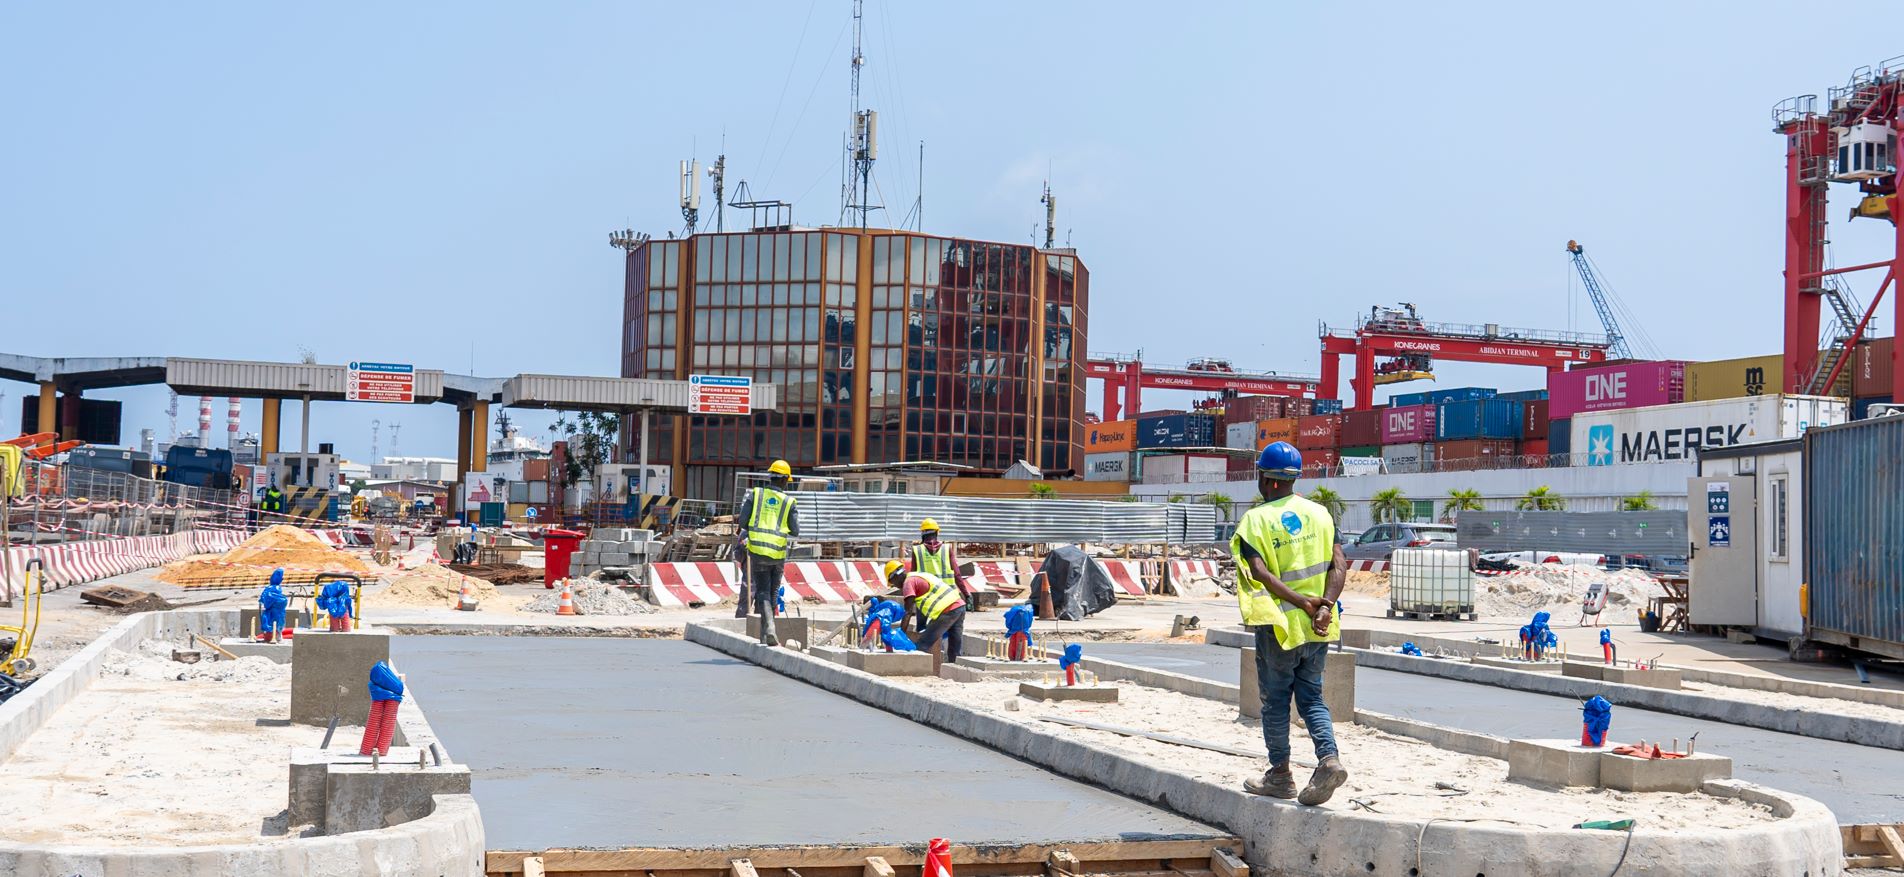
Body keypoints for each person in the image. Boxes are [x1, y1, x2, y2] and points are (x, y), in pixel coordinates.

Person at [1232, 441, 1348, 805]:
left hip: (1279, 626)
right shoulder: (1321, 514)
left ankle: (1280, 775)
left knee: (1276, 701)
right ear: (1294, 478)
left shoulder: (1256, 519)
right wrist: (1324, 606)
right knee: (1312, 696)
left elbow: (1261, 574)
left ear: (1265, 479)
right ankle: (1328, 760)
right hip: (1319, 625)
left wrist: (1301, 603)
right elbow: (1340, 566)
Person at [735, 460, 800, 646]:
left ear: (771, 477)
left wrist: (757, 529)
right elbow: (795, 530)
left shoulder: (755, 495)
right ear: (786, 480)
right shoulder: (789, 502)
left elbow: (743, 522)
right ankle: (769, 632)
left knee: (762, 590)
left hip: (758, 551)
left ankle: (767, 632)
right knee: (771, 593)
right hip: (778, 553)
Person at [885, 560, 966, 663]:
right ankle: (954, 668)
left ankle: (915, 670)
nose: (895, 586)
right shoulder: (918, 575)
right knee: (955, 644)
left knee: (923, 643)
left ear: (895, 576)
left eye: (892, 583)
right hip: (959, 606)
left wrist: (901, 634)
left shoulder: (908, 583)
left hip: (947, 611)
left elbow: (908, 612)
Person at [907, 518, 978, 613]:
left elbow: (913, 578)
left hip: (927, 602)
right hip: (949, 600)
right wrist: (967, 595)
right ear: (937, 532)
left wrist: (909, 604)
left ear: (922, 533)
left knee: (925, 628)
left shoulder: (917, 550)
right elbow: (957, 575)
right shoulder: (947, 549)